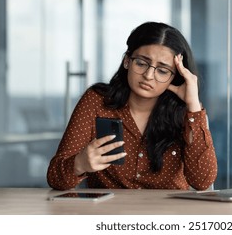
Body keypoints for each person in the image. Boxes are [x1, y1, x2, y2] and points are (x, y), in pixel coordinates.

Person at [47, 21, 217, 190]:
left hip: (167, 214)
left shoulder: (184, 113)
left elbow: (202, 181)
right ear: (127, 61)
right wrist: (79, 164)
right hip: (109, 214)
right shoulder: (97, 100)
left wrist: (193, 104)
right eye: (142, 63)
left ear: (175, 76)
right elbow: (55, 178)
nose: (149, 75)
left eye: (163, 71)